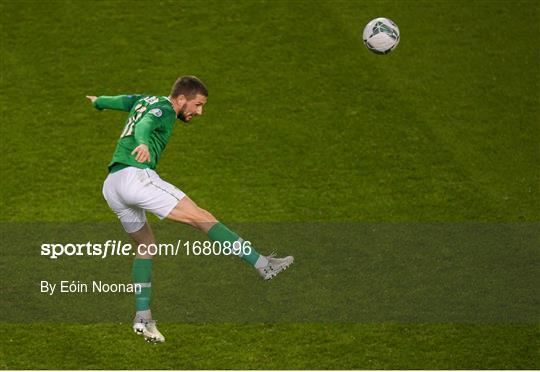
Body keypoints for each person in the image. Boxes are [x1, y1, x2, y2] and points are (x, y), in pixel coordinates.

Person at [86, 76, 293, 343]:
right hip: (135, 177)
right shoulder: (163, 108)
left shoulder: (145, 99)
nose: (199, 112)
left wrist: (99, 103)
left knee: (146, 245)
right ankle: (264, 265)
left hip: (112, 186)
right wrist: (142, 142)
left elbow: (124, 101)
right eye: (197, 104)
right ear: (181, 98)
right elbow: (147, 123)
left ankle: (142, 317)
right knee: (203, 218)